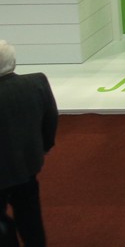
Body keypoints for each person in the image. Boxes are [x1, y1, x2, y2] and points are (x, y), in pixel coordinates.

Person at [0, 40, 58, 247]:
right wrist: (43, 147)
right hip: (27, 165)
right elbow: (50, 120)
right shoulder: (37, 83)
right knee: (30, 217)